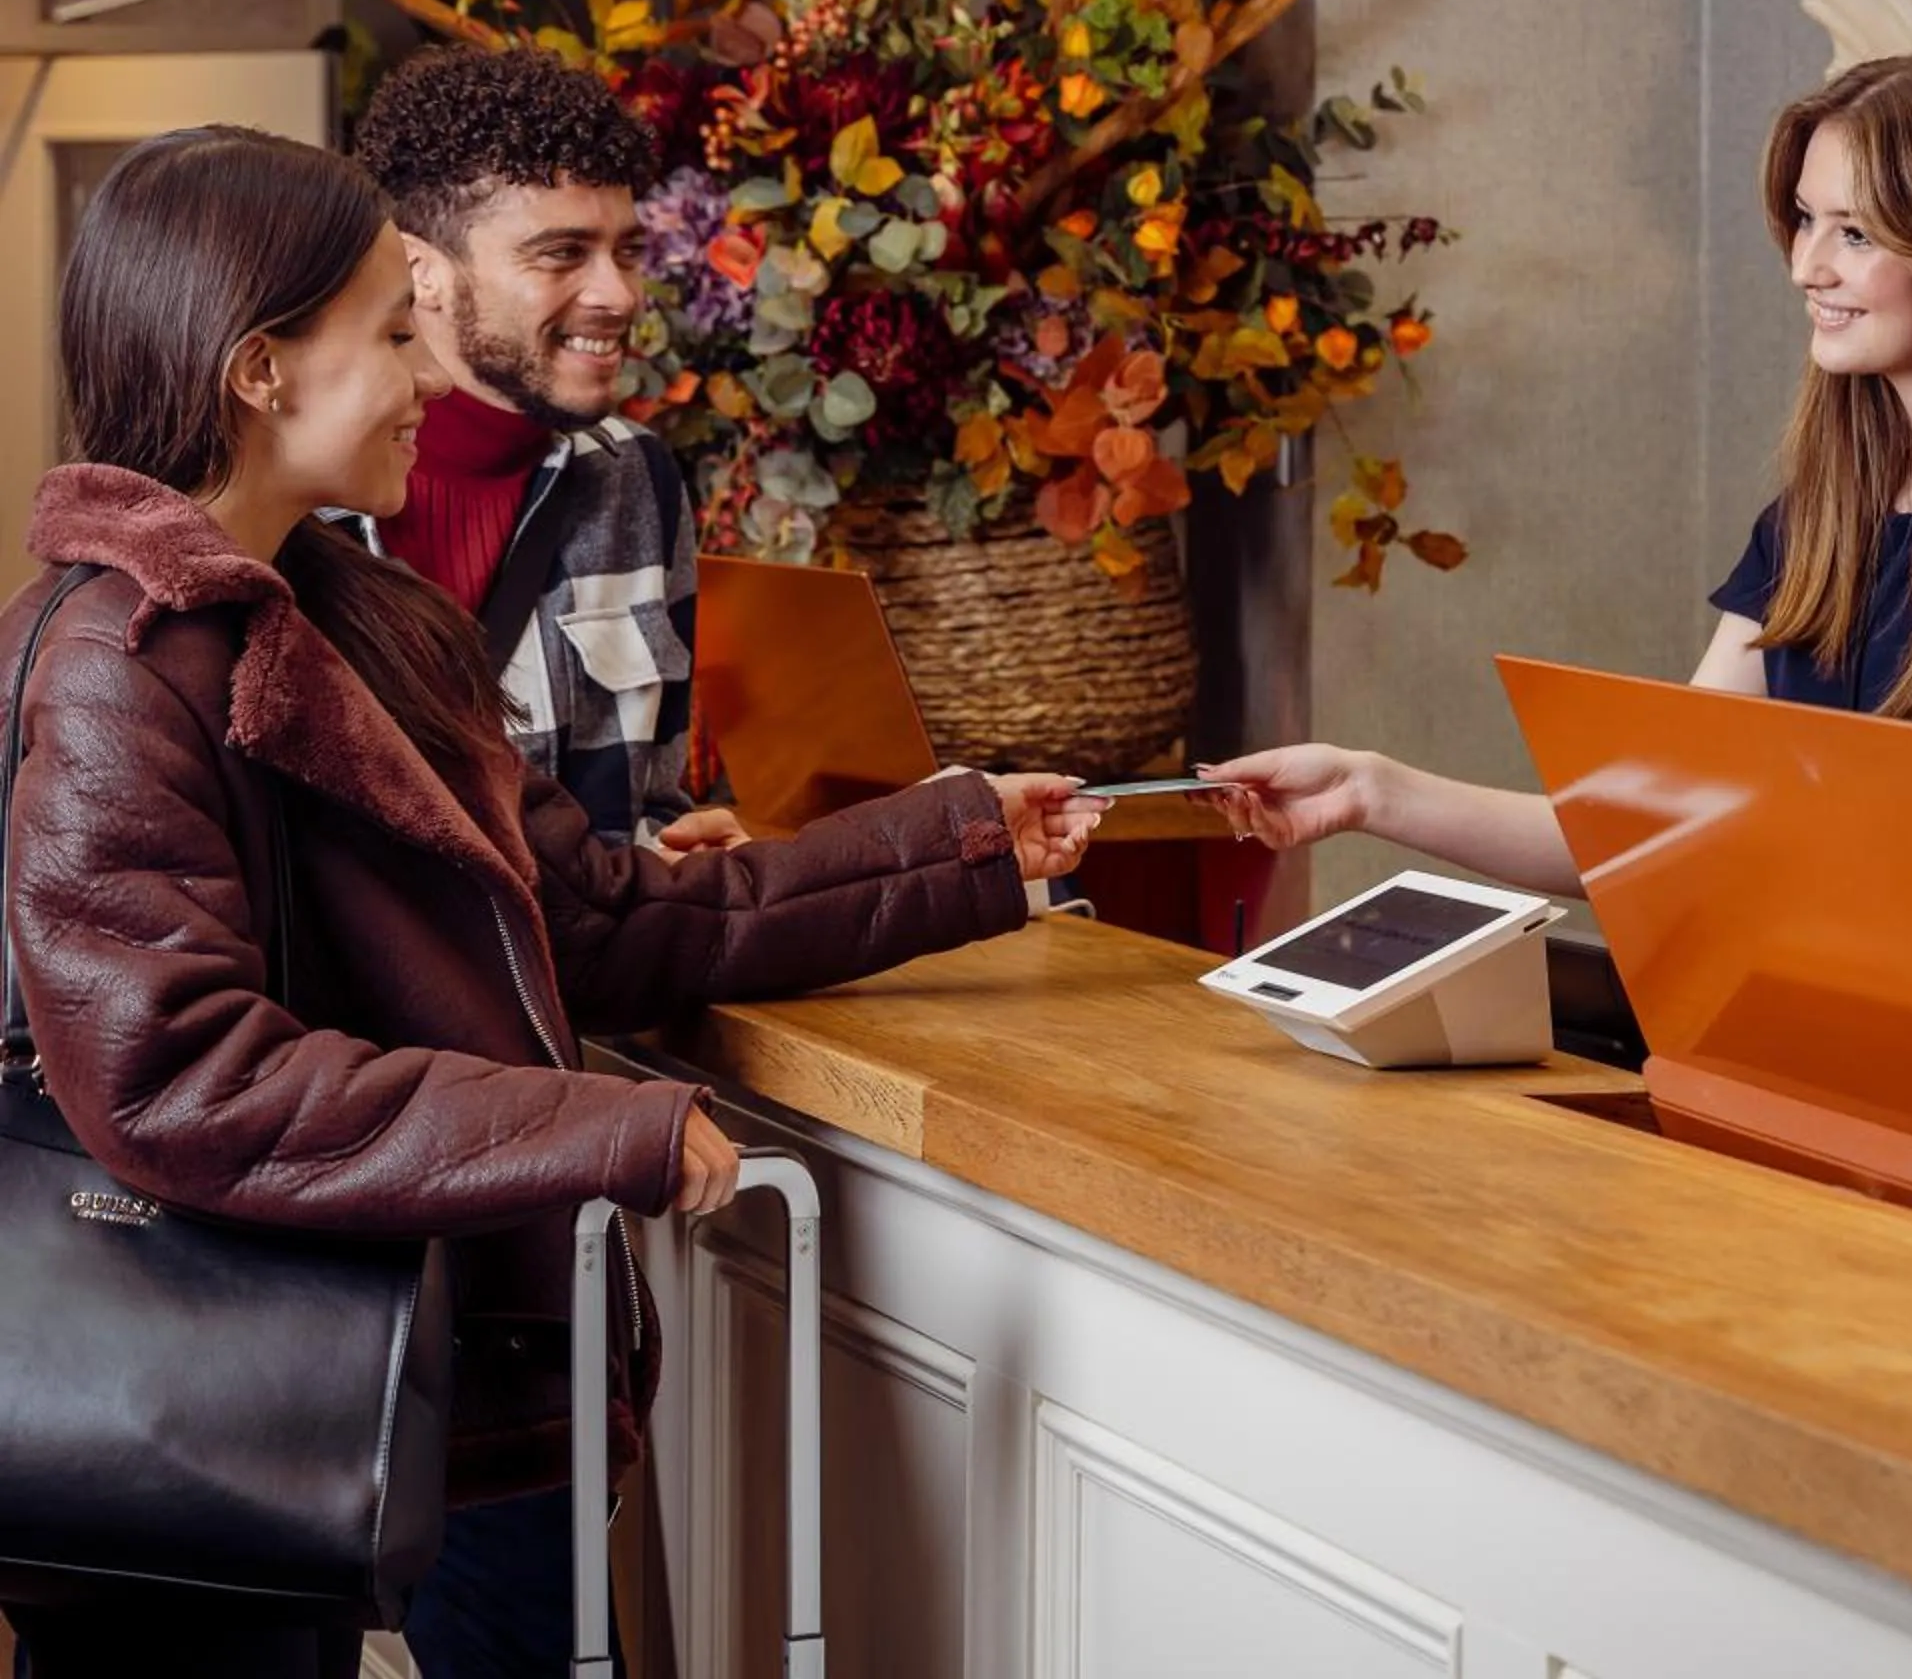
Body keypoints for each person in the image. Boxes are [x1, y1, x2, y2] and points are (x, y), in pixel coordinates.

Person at [0, 127, 1102, 1678]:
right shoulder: (117, 673)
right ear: (259, 370)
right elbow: (181, 1081)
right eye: (391, 335)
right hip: (195, 1391)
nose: (428, 380)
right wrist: (603, 1129)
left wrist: (959, 842)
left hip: (396, 1356)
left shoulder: (366, 629)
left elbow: (604, 922)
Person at [1205, 54, 1912, 1072]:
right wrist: (1372, 789)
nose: (1806, 266)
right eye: (1807, 219)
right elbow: (1653, 832)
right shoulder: (1810, 526)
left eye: (1854, 232)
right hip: (1837, 1066)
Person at [350, 44, 748, 860]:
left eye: (627, 251)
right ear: (421, 271)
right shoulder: (303, 495)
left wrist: (680, 865)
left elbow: (647, 812)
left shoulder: (638, 479)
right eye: (562, 253)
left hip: (582, 982)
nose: (620, 295)